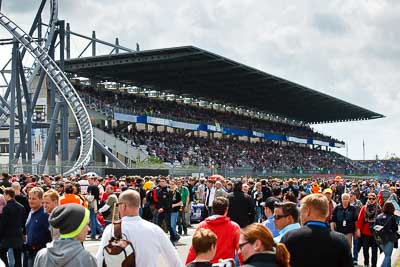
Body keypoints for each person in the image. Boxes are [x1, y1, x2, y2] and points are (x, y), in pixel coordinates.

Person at [96, 190, 182, 267]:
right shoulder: (155, 230)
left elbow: (99, 260)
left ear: (123, 206)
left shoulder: (111, 229)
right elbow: (174, 260)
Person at [281, 193, 353, 267]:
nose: (300, 215)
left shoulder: (289, 237)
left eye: (301, 211)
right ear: (327, 213)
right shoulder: (341, 240)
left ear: (307, 211)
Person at [186, 197, 240, 265]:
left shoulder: (202, 225)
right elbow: (240, 251)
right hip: (225, 264)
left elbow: (194, 248)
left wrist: (188, 264)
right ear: (227, 209)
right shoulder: (234, 227)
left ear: (213, 209)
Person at [25, 187, 52, 267]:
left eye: (34, 198)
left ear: (41, 200)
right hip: (30, 253)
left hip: (41, 254)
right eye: (29, 198)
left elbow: (51, 235)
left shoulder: (45, 215)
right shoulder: (31, 212)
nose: (30, 201)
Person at [0, 188, 26, 267]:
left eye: (4, 195)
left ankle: (6, 265)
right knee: (18, 257)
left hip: (7, 236)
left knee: (1, 252)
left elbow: (3, 223)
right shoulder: (21, 207)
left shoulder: (7, 208)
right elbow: (23, 222)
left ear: (8, 195)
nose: (4, 196)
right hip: (18, 234)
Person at [356, 192, 381, 267]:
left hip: (375, 232)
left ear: (376, 199)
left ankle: (374, 265)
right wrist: (358, 230)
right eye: (370, 199)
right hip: (365, 232)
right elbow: (360, 219)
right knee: (365, 249)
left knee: (374, 250)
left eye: (373, 199)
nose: (371, 200)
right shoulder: (364, 207)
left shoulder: (379, 208)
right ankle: (366, 263)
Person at [374, 202, 398, 267]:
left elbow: (375, 227)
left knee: (387, 255)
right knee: (387, 256)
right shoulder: (392, 217)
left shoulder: (378, 216)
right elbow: (395, 228)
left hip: (380, 239)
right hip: (389, 238)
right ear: (392, 208)